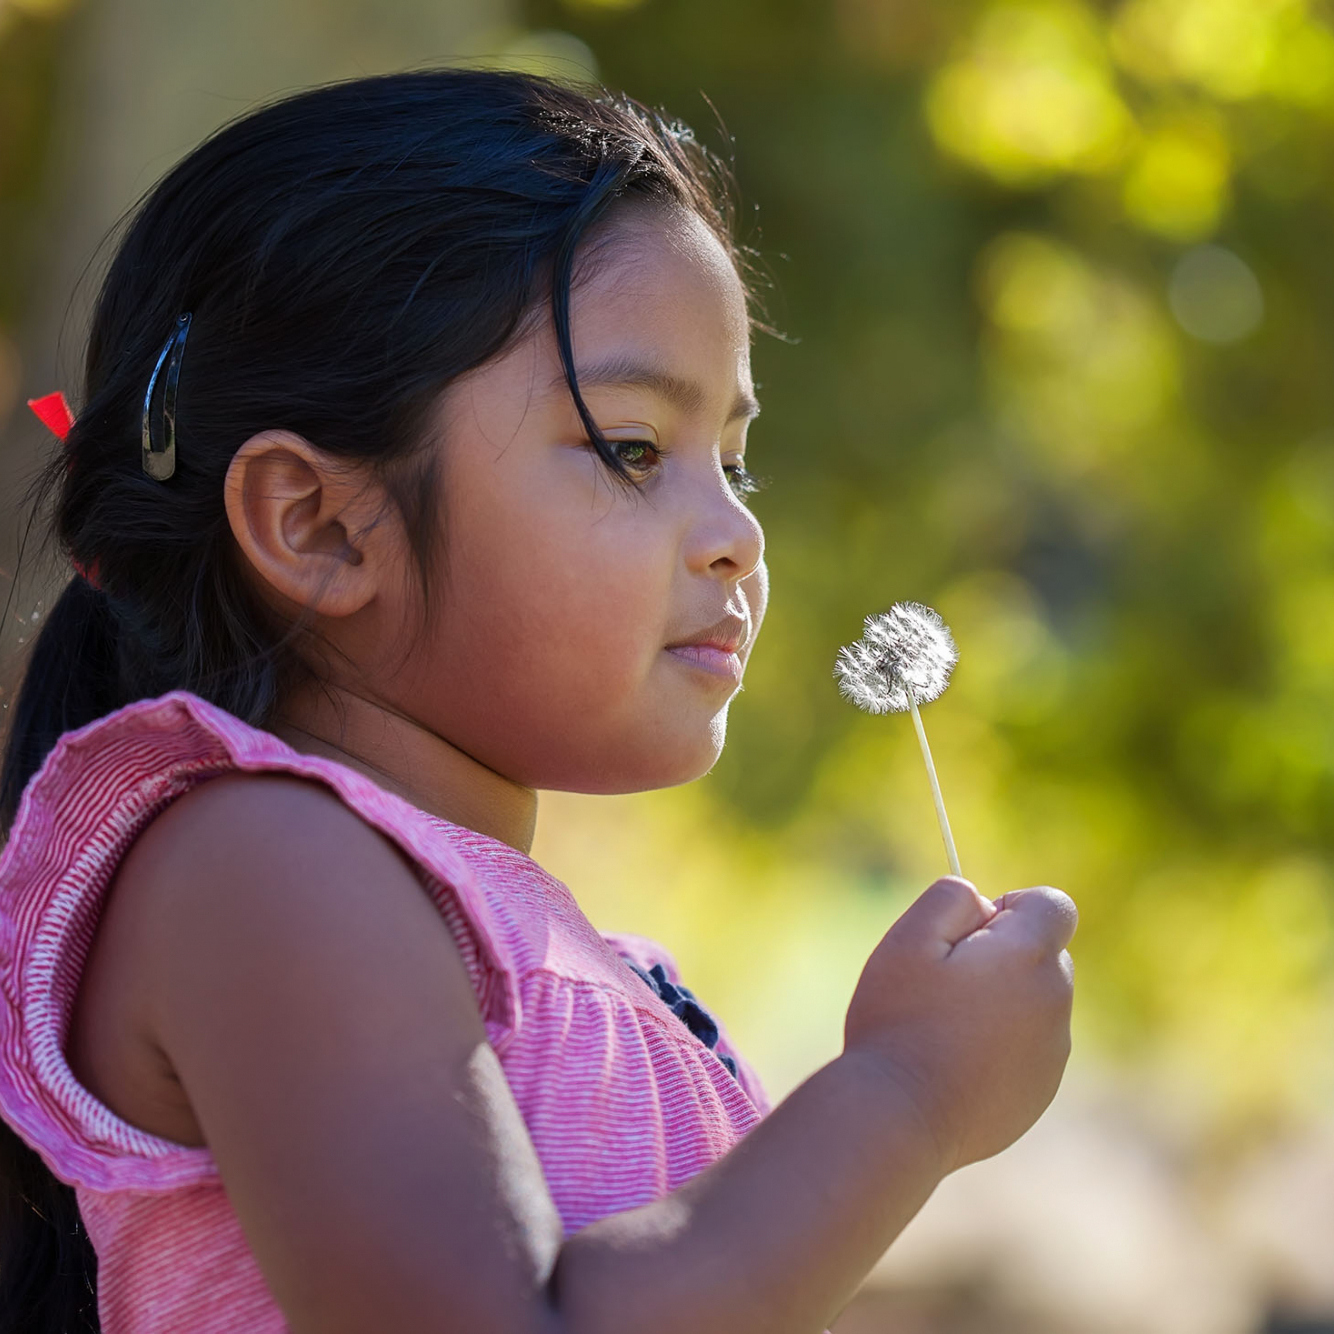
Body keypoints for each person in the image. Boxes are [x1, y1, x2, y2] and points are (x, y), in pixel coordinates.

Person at [0, 68, 1077, 1334]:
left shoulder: (557, 953)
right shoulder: (262, 864)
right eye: (632, 447)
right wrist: (906, 1092)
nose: (736, 533)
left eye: (733, 460)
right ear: (320, 523)